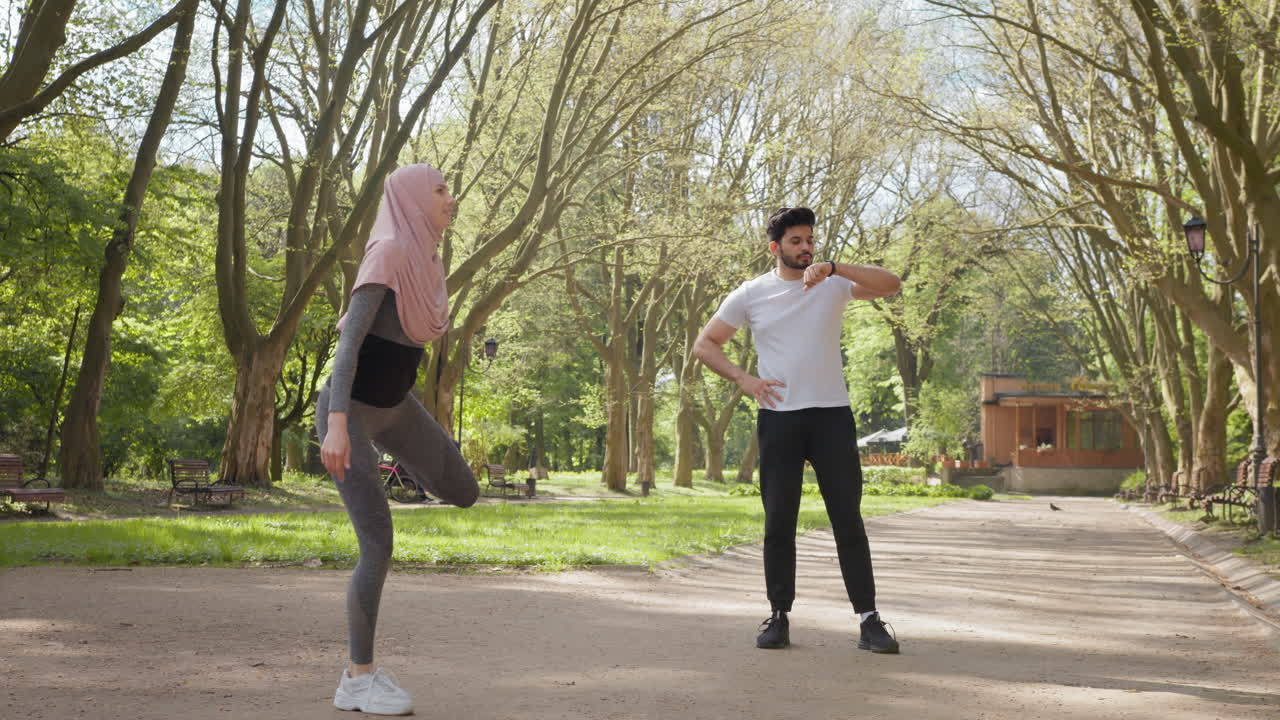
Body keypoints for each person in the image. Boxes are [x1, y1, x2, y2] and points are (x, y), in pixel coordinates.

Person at [693, 206, 903, 653]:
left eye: (809, 240)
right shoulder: (751, 294)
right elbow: (704, 344)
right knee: (779, 521)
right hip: (780, 417)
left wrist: (835, 266)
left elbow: (892, 284)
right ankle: (778, 617)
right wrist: (745, 380)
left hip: (831, 416)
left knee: (847, 518)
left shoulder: (834, 284)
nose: (805, 247)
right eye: (795, 241)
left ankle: (869, 622)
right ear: (776, 248)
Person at [317, 164, 479, 714]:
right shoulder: (386, 251)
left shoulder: (428, 261)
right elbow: (350, 345)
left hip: (395, 411)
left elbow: (406, 359)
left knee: (464, 489)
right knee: (378, 543)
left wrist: (420, 439)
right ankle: (357, 679)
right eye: (439, 191)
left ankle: (392, 464)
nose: (449, 200)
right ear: (411, 199)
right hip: (351, 416)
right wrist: (338, 425)